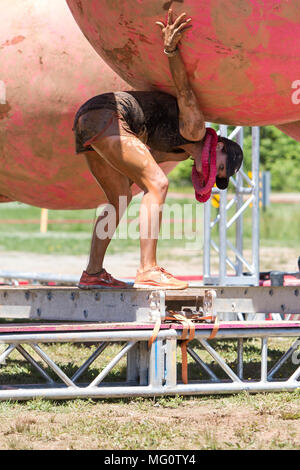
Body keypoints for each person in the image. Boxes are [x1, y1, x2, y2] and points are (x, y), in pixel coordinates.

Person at [73, 8, 243, 290]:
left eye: (219, 175)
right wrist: (171, 50)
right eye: (222, 166)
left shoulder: (177, 152)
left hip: (89, 122)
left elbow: (134, 164)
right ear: (220, 145)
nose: (215, 173)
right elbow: (184, 90)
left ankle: (93, 273)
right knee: (158, 183)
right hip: (108, 115)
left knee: (120, 198)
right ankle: (148, 269)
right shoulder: (196, 130)